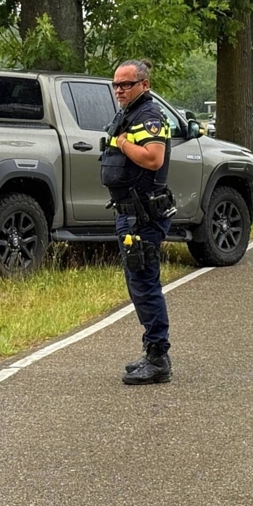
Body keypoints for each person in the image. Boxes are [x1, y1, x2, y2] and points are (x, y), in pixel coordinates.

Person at [100, 59, 176, 385]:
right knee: (139, 284)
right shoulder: (129, 114)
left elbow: (153, 158)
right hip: (129, 214)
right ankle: (151, 352)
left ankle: (158, 359)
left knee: (145, 285)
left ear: (144, 85)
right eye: (116, 84)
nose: (119, 90)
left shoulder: (149, 116)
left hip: (143, 216)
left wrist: (122, 142)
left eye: (126, 84)